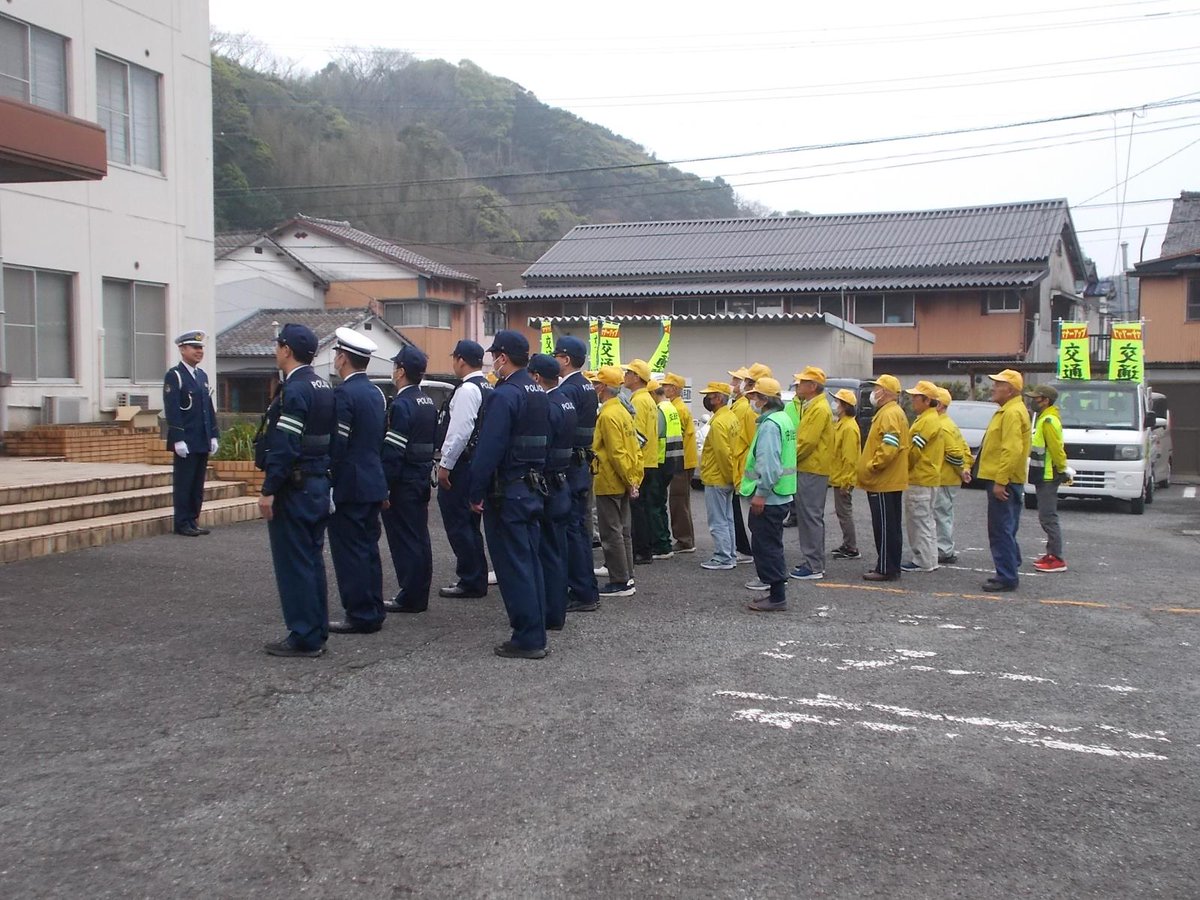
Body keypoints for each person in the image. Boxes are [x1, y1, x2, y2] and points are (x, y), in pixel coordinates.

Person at [469, 330, 551, 659]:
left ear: (503, 357)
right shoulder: (538, 392)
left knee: (513, 566)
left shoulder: (504, 395)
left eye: (494, 356)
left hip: (508, 491)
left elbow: (489, 449)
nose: (492, 362)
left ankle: (528, 637)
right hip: (532, 486)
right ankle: (537, 629)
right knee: (530, 561)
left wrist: (475, 490)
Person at [256, 324, 336, 658]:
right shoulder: (324, 386)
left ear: (287, 350)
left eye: (278, 346)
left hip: (296, 486)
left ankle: (303, 635)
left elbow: (286, 444)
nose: (276, 351)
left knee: (295, 563)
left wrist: (269, 488)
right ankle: (316, 628)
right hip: (317, 482)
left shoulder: (296, 389)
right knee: (312, 559)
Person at [326, 328, 388, 634]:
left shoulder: (344, 394)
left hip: (350, 483)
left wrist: (329, 481)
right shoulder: (376, 393)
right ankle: (373, 608)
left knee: (349, 551)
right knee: (368, 549)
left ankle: (360, 613)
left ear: (342, 358)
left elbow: (338, 444)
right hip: (373, 479)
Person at [380, 346, 439, 614]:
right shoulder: (427, 402)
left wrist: (385, 486)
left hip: (403, 481)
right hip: (421, 476)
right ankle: (419, 592)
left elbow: (393, 451)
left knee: (404, 539)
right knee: (419, 536)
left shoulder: (401, 404)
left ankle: (410, 595)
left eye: (395, 367)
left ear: (401, 371)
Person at [436, 340, 493, 599]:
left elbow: (459, 431)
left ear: (461, 359)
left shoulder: (468, 389)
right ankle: (475, 575)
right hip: (478, 461)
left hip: (463, 465)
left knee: (460, 523)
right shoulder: (487, 386)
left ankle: (471, 578)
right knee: (470, 523)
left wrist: (445, 465)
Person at [739, 377, 797, 612]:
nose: (752, 401)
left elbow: (769, 465)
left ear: (764, 400)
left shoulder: (770, 425)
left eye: (754, 397)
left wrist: (761, 493)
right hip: (781, 494)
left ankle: (777, 595)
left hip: (770, 496)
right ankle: (775, 591)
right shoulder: (784, 419)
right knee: (772, 543)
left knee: (766, 545)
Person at [553, 336, 601, 613]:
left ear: (566, 359)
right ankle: (586, 588)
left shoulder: (569, 389)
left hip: (570, 465)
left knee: (572, 529)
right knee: (579, 528)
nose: (554, 361)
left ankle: (581, 590)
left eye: (557, 356)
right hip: (582, 463)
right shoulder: (587, 386)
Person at [529, 353, 576, 630]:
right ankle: (556, 611)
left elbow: (541, 447)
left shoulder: (548, 406)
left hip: (548, 483)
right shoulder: (566, 401)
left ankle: (550, 613)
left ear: (536, 377)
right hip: (563, 480)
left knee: (547, 551)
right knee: (557, 548)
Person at [589, 365, 643, 598]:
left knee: (611, 533)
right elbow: (634, 448)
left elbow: (616, 452)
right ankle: (627, 575)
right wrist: (634, 479)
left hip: (610, 479)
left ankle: (620, 581)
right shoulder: (622, 411)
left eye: (595, 384)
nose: (593, 387)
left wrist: (630, 479)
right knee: (624, 531)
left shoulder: (608, 414)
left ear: (602, 387)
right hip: (624, 478)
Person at [977, 369, 1032, 592]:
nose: (993, 388)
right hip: (1009, 477)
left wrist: (1001, 481)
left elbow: (1011, 449)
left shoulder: (1011, 413)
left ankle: (1007, 575)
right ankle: (1010, 566)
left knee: (1001, 528)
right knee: (1007, 526)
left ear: (1009, 390)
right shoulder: (1012, 410)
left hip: (1004, 479)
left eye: (998, 384)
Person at [163, 330, 219, 537]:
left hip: (201, 437)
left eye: (201, 348)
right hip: (186, 439)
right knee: (184, 482)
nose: (199, 351)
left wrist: (213, 434)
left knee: (197, 483)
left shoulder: (201, 376)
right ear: (182, 349)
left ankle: (193, 519)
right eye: (195, 347)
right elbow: (173, 409)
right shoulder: (175, 375)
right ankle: (182, 522)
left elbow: (208, 407)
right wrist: (178, 439)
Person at [857, 374, 909, 582]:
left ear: (886, 392)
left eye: (877, 388)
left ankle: (886, 568)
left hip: (883, 480)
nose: (873, 393)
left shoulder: (888, 414)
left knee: (885, 526)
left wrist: (873, 466)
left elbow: (889, 446)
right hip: (889, 479)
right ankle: (891, 565)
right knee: (892, 525)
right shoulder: (893, 412)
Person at [790, 366, 833, 581]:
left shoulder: (818, 408)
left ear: (812, 386)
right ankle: (813, 561)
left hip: (812, 468)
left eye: (801, 382)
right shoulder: (815, 406)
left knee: (810, 517)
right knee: (810, 516)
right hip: (812, 468)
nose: (798, 385)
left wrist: (787, 460)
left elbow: (806, 442)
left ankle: (814, 564)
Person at [698, 381, 744, 571]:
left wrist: (728, 476)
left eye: (710, 396)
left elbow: (722, 453)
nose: (707, 399)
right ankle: (730, 553)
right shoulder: (731, 417)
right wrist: (734, 477)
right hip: (727, 477)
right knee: (728, 519)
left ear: (718, 398)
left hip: (717, 478)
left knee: (718, 520)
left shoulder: (718, 422)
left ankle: (723, 556)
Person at [901, 380, 946, 573]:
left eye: (915, 397)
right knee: (926, 520)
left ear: (927, 400)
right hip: (928, 476)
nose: (912, 400)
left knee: (918, 521)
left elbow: (915, 451)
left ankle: (923, 560)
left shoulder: (927, 421)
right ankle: (929, 558)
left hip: (920, 476)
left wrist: (903, 467)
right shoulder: (930, 418)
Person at [1026, 383, 1071, 573]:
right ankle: (1051, 553)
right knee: (1046, 516)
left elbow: (1056, 449)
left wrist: (1062, 469)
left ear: (1045, 400)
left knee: (1048, 517)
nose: (1033, 400)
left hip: (1048, 475)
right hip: (1043, 474)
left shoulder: (1049, 421)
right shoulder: (1044, 418)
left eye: (1036, 398)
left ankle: (1056, 557)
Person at [622, 359, 661, 565]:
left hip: (642, 461)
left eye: (628, 372)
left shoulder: (638, 401)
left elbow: (636, 435)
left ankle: (642, 550)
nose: (625, 376)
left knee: (637, 509)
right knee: (643, 507)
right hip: (651, 460)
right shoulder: (648, 399)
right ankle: (647, 548)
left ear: (636, 377)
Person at [933, 388, 972, 565]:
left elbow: (955, 452)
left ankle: (944, 550)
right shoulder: (950, 423)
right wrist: (966, 468)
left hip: (944, 477)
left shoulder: (941, 426)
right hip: (950, 478)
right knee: (945, 513)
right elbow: (964, 448)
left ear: (939, 405)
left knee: (941, 514)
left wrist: (960, 470)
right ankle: (944, 548)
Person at [662, 372, 697, 553]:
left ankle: (684, 540)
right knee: (681, 500)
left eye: (667, 385)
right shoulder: (678, 407)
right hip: (684, 460)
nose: (664, 388)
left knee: (678, 501)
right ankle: (686, 538)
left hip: (681, 461)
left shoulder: (677, 409)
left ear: (674, 389)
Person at [829, 388, 862, 560]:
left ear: (845, 406)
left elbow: (850, 458)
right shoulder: (842, 424)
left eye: (838, 402)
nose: (835, 404)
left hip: (842, 479)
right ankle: (848, 544)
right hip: (838, 477)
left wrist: (846, 482)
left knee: (844, 513)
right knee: (842, 512)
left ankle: (851, 547)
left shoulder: (848, 427)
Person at [651, 379, 683, 558]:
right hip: (672, 461)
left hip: (660, 460)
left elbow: (655, 434)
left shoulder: (659, 410)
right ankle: (665, 542)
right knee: (660, 503)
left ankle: (661, 544)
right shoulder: (671, 408)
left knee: (654, 504)